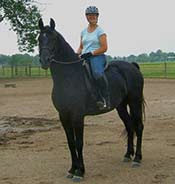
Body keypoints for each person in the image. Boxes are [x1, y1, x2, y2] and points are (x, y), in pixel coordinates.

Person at [77, 6, 111, 110]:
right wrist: (77, 53)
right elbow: (81, 46)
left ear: (97, 16)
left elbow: (104, 47)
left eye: (94, 15)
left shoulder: (100, 31)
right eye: (90, 15)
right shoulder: (83, 32)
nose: (92, 17)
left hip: (97, 57)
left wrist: (91, 53)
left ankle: (106, 98)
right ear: (86, 17)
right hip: (85, 57)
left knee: (96, 73)